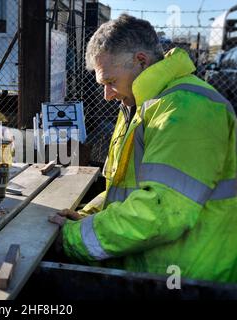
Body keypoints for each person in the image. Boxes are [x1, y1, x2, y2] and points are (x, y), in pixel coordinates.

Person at [49, 14, 237, 283]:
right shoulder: (143, 105)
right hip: (159, 272)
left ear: (141, 61)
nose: (107, 94)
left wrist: (73, 237)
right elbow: (126, 191)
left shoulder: (186, 108)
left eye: (111, 81)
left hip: (192, 279)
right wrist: (88, 216)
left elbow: (161, 212)